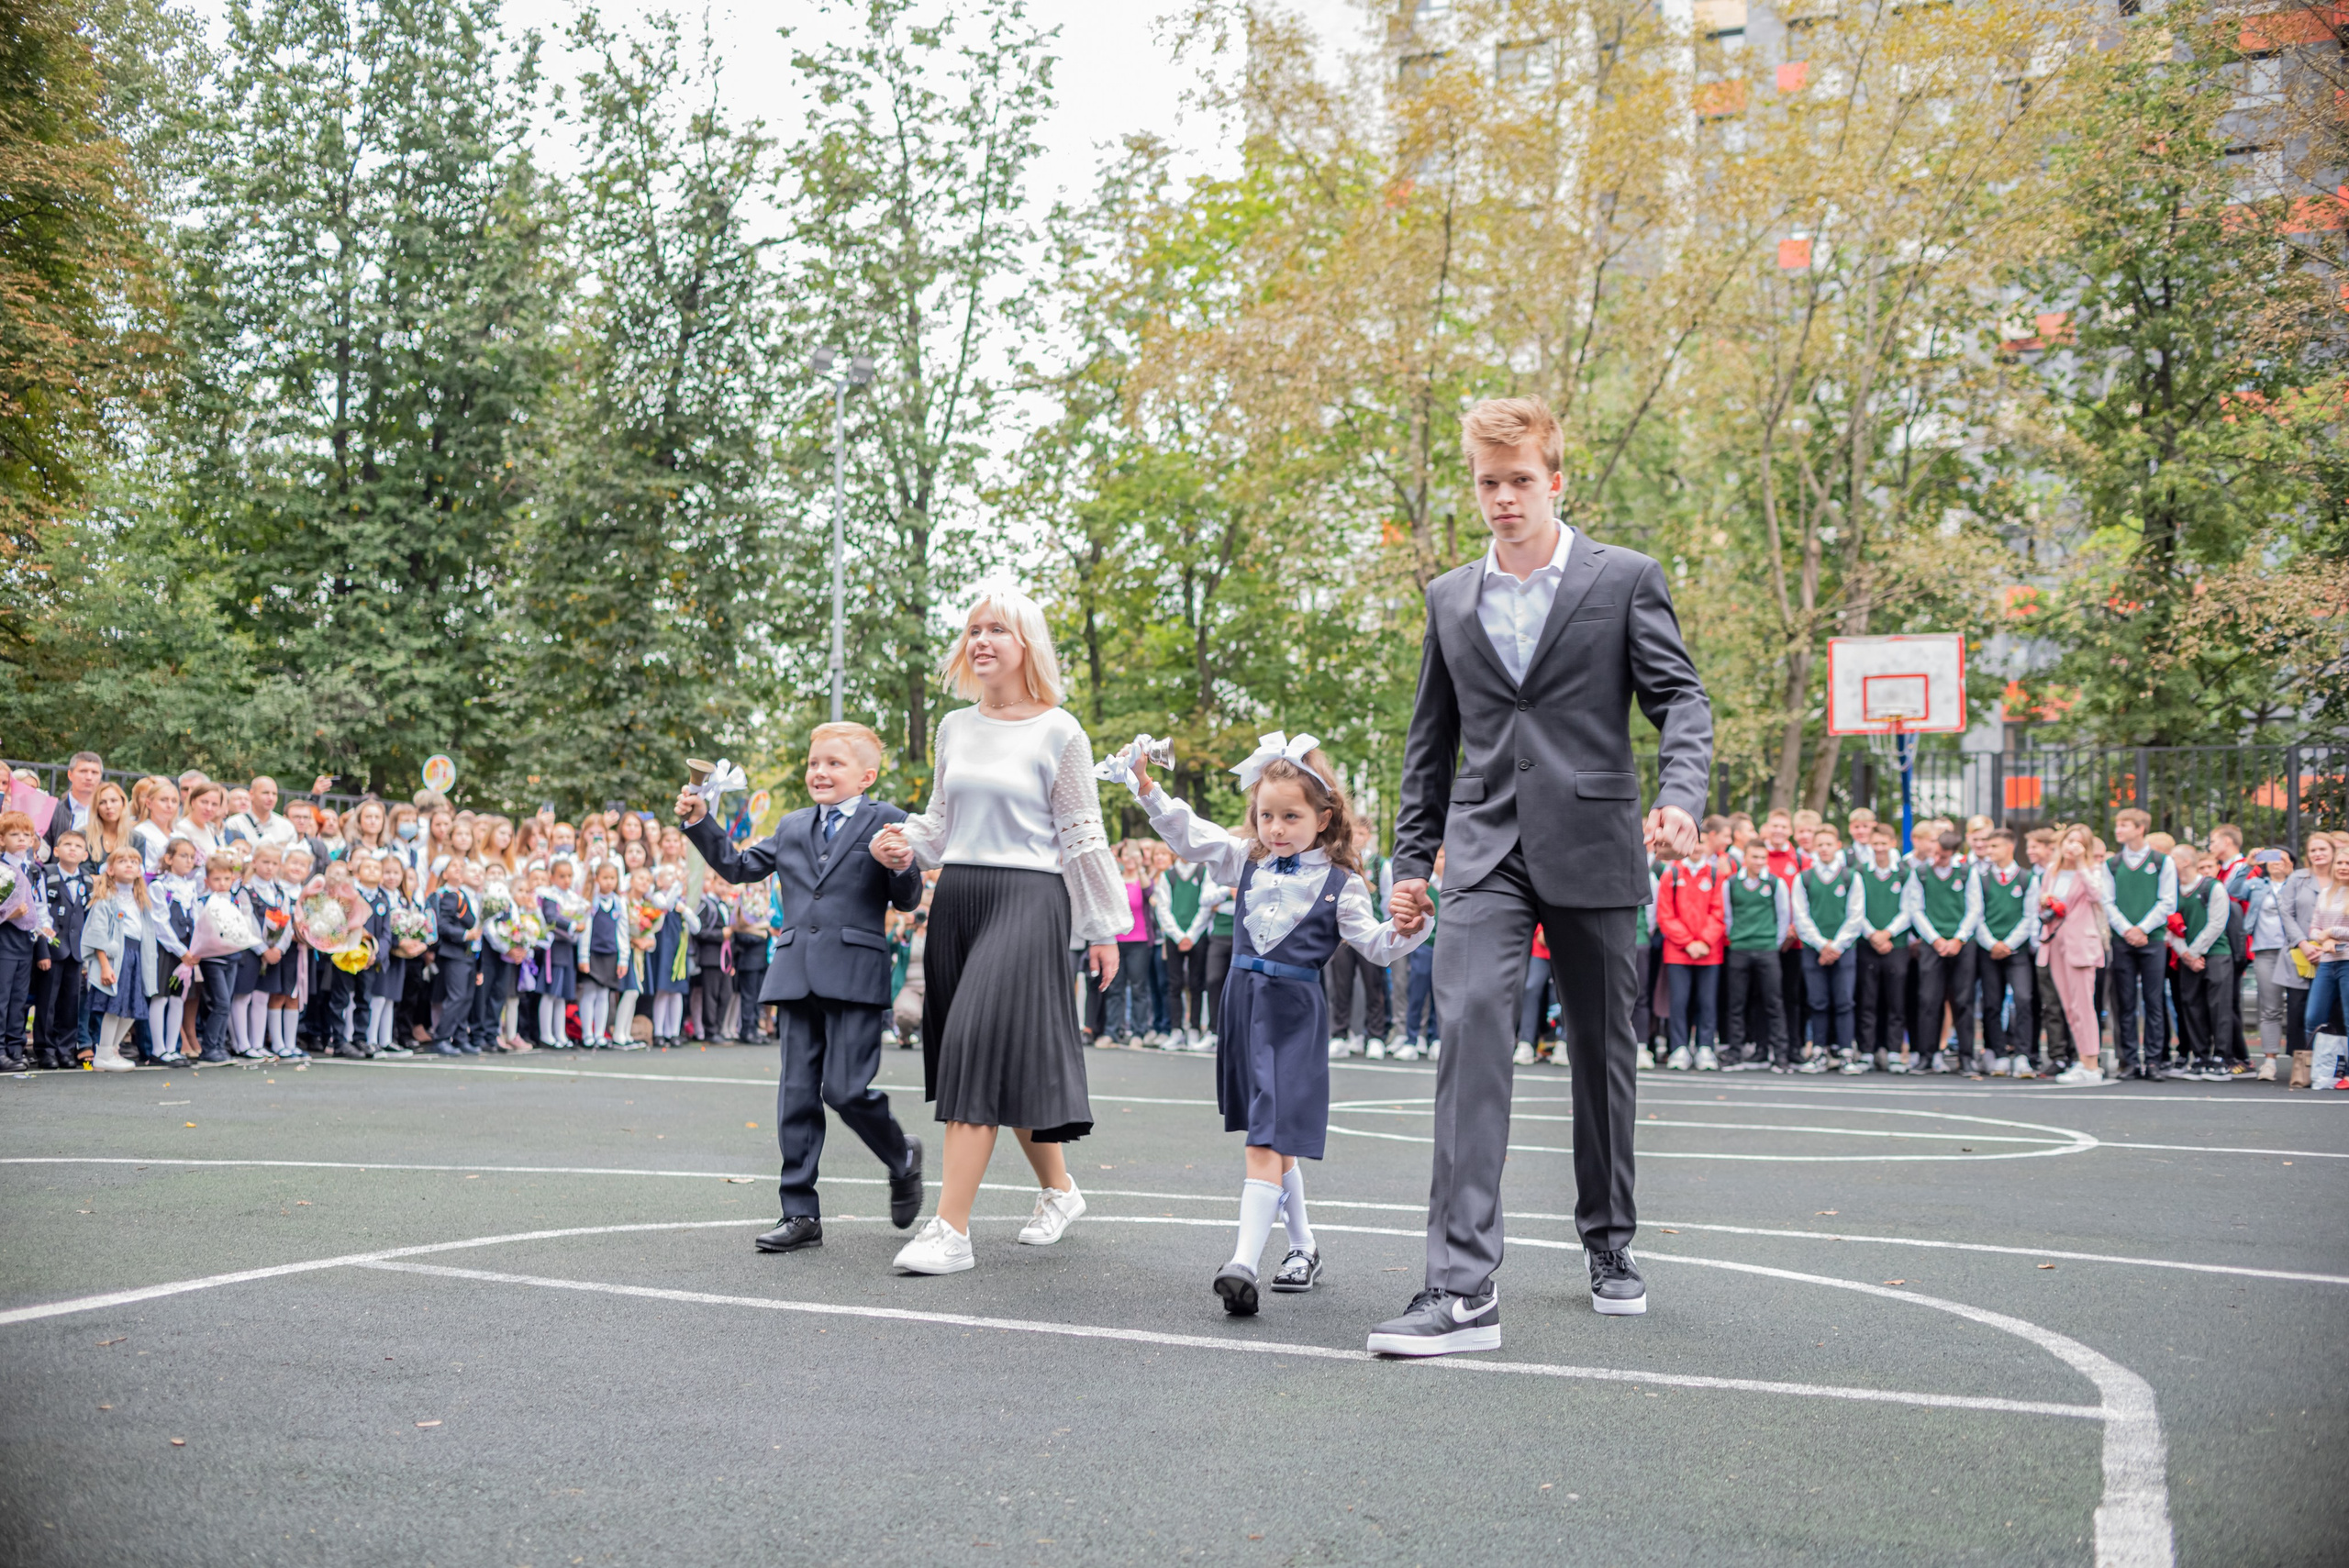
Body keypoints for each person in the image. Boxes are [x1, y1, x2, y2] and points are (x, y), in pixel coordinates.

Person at [1376, 395, 1711, 1354]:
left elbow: (1680, 700)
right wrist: (1409, 859)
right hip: (1483, 852)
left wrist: (1680, 795)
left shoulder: (1625, 579)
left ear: (1555, 479)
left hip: (1598, 842)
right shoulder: (1449, 597)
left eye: (1520, 479)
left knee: (1602, 1055)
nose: (1503, 498)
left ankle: (1608, 1239)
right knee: (1471, 1027)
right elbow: (1427, 748)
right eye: (1488, 483)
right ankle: (1459, 1285)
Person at [868, 587, 1129, 1277]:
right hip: (958, 897)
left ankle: (950, 1230)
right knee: (995, 1058)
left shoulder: (1060, 731)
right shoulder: (954, 726)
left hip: (1030, 898)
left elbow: (1082, 837)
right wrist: (903, 844)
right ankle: (1061, 1190)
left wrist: (1102, 926)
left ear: (1026, 645)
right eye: (973, 630)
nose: (981, 641)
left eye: (997, 630)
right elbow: (941, 822)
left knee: (976, 1047)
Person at [1125, 738, 1427, 1311]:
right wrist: (1146, 786)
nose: (1277, 828)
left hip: (1294, 1015)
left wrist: (1412, 925)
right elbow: (1190, 832)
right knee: (1273, 1133)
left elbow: (1379, 946)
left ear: (1324, 818)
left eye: (1292, 816)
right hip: (1244, 1005)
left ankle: (1242, 1261)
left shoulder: (1343, 884)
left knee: (1266, 1133)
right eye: (1267, 815)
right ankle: (1304, 1247)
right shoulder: (1247, 859)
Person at [682, 721, 928, 1252]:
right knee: (796, 1095)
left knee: (844, 1091)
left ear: (867, 775)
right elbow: (740, 866)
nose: (820, 771)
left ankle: (901, 1155)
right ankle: (799, 1213)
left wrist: (904, 864)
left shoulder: (889, 821)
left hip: (856, 976)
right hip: (795, 974)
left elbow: (907, 899)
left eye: (834, 764)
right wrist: (703, 822)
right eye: (815, 762)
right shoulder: (792, 825)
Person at [2105, 806, 2176, 1080]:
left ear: (2140, 828)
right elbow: (2107, 902)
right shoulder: (2112, 864)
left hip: (2152, 940)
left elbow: (2167, 901)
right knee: (2125, 1002)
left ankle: (2155, 1061)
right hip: (2123, 940)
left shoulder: (2161, 862)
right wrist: (2127, 929)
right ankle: (2130, 1061)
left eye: (2125, 824)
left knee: (2153, 1000)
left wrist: (2143, 928)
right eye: (2118, 824)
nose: (2119, 829)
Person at [2037, 825, 2111, 1086]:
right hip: (2056, 942)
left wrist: (2082, 862)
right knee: (2069, 1006)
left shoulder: (2092, 870)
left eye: (2079, 843)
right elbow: (2042, 902)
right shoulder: (2052, 871)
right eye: (2070, 841)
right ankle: (2082, 1060)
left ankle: (2092, 1065)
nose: (2072, 846)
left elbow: (2096, 895)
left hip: (2081, 944)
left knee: (2084, 1007)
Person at [1791, 823, 1865, 1073]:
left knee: (1844, 1001)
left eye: (1828, 844)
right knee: (1818, 1001)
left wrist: (1836, 946)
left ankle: (1845, 1053)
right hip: (1815, 949)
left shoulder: (1851, 876)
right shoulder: (1804, 878)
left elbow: (1856, 916)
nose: (1823, 849)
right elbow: (1801, 918)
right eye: (1819, 844)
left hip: (1843, 949)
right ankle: (1819, 1051)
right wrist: (1823, 945)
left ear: (1838, 846)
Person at [1906, 829, 1981, 1073]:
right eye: (1936, 853)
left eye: (1944, 855)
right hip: (1933, 943)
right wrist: (1935, 939)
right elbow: (1916, 909)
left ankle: (1966, 1057)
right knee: (1929, 999)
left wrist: (1959, 938)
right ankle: (1927, 1055)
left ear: (1954, 854)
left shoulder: (1967, 873)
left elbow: (1974, 908)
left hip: (1961, 942)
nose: (1938, 858)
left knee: (1963, 1000)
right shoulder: (1921, 873)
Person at [1654, 824, 1725, 1071]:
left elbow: (1719, 913)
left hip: (1709, 952)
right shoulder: (1671, 875)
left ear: (1708, 846)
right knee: (1679, 1002)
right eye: (1693, 842)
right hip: (1678, 952)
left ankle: (1705, 1048)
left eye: (1701, 842)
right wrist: (1688, 942)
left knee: (1707, 1001)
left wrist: (1704, 941)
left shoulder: (1716, 875)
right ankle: (1679, 1048)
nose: (1697, 848)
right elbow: (1665, 915)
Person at [1971, 828, 2041, 1078]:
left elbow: (2030, 915)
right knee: (1991, 1003)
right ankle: (1998, 1054)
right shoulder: (1980, 878)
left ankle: (2022, 1055)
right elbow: (1976, 914)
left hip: (2017, 951)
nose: (1989, 852)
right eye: (1988, 847)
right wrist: (1992, 944)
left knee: (2023, 999)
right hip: (1989, 950)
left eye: (1994, 847)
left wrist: (2009, 943)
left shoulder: (2026, 878)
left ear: (2009, 848)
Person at [1325, 819, 1397, 1059]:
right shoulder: (1338, 860)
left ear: (1368, 836)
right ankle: (1339, 1035)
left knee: (1374, 986)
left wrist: (1376, 927)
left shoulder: (1379, 863)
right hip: (1342, 937)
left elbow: (1387, 900)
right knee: (1341, 986)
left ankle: (1375, 1036)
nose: (1357, 837)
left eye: (1362, 833)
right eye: (1354, 832)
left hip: (1370, 932)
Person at [79, 847, 155, 1071]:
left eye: (134, 861)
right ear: (110, 870)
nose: (129, 865)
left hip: (136, 956)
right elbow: (98, 934)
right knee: (114, 1006)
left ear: (140, 870)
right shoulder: (106, 899)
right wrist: (104, 966)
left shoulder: (139, 900)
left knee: (134, 1007)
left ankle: (112, 1049)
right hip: (116, 958)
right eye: (122, 861)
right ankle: (103, 1052)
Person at [2165, 843, 2237, 1081]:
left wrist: (2194, 952)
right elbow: (2170, 927)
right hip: (2188, 957)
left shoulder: (2212, 887)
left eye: (2172, 858)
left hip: (2215, 953)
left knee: (2219, 1006)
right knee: (2191, 1005)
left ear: (2185, 861)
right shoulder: (2171, 890)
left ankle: (2221, 1057)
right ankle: (2200, 1056)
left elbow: (2217, 924)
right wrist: (2186, 954)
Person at [1720, 843, 1792, 1071]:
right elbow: (1728, 916)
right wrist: (1737, 938)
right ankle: (1735, 1054)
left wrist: (1773, 943)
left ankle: (1780, 1056)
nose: (1759, 861)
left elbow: (1783, 917)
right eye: (1755, 857)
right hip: (1740, 948)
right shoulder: (1730, 884)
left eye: (1763, 857)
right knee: (1736, 1004)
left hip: (1767, 949)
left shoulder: (1774, 883)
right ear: (1746, 858)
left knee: (1774, 1003)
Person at [1, 811, 60, 1071]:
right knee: (2, 997)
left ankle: (15, 1049)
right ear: (2, 839)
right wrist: (8, 913)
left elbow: (40, 904)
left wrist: (45, 927)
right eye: (14, 834)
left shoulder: (34, 870)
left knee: (19, 998)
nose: (22, 839)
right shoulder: (3, 868)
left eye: (27, 834)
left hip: (26, 942)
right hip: (4, 941)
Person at [1854, 822, 1915, 1072]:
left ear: (1893, 844)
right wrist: (1872, 935)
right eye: (1875, 843)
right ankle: (1867, 1051)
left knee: (1896, 1001)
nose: (1879, 848)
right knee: (1867, 1000)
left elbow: (1909, 907)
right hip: (1867, 943)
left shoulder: (1904, 872)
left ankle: (1893, 1051)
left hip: (1896, 944)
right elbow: (1856, 907)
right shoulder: (1860, 871)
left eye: (1883, 843)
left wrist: (1888, 933)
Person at [35, 828, 93, 1069]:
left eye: (78, 846)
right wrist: (42, 951)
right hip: (53, 948)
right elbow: (39, 912)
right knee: (47, 1001)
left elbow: (88, 919)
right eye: (67, 845)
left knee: (71, 1001)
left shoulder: (86, 880)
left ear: (85, 855)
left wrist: (87, 958)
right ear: (56, 850)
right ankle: (45, 1049)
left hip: (76, 951)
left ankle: (65, 1048)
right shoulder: (46, 874)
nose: (72, 849)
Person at [1152, 845, 1219, 1051]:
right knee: (1174, 983)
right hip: (1175, 937)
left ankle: (1193, 1030)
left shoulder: (1202, 872)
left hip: (1196, 936)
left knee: (1196, 983)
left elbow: (1205, 906)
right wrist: (1178, 935)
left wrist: (1191, 934)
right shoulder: (1168, 876)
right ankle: (1176, 1030)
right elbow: (1162, 907)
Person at [2243, 848, 2299, 1081]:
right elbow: (2232, 890)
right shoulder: (2257, 885)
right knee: (2270, 1008)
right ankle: (2269, 1062)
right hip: (2265, 951)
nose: (2277, 863)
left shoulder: (2300, 883)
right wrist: (2248, 866)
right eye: (2272, 858)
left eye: (2282, 858)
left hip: (2297, 951)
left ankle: (2303, 1061)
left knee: (2300, 1008)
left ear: (2292, 863)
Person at [430, 858, 483, 1056]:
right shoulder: (451, 896)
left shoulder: (472, 897)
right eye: (455, 868)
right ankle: (442, 1037)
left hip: (470, 954)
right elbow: (442, 925)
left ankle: (460, 1037)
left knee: (467, 997)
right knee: (457, 996)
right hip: (454, 953)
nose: (459, 870)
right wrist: (464, 935)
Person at [1397, 848, 1443, 1061]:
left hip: (1445, 948)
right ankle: (1412, 1039)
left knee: (1439, 995)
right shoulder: (1425, 887)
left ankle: (1436, 1038)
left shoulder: (1453, 888)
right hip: (1424, 947)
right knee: (1417, 992)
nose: (1444, 862)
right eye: (1440, 857)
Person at [41, 751, 104, 856]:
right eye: (83, 771)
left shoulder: (105, 813)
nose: (89, 777)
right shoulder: (53, 811)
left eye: (94, 772)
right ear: (70, 775)